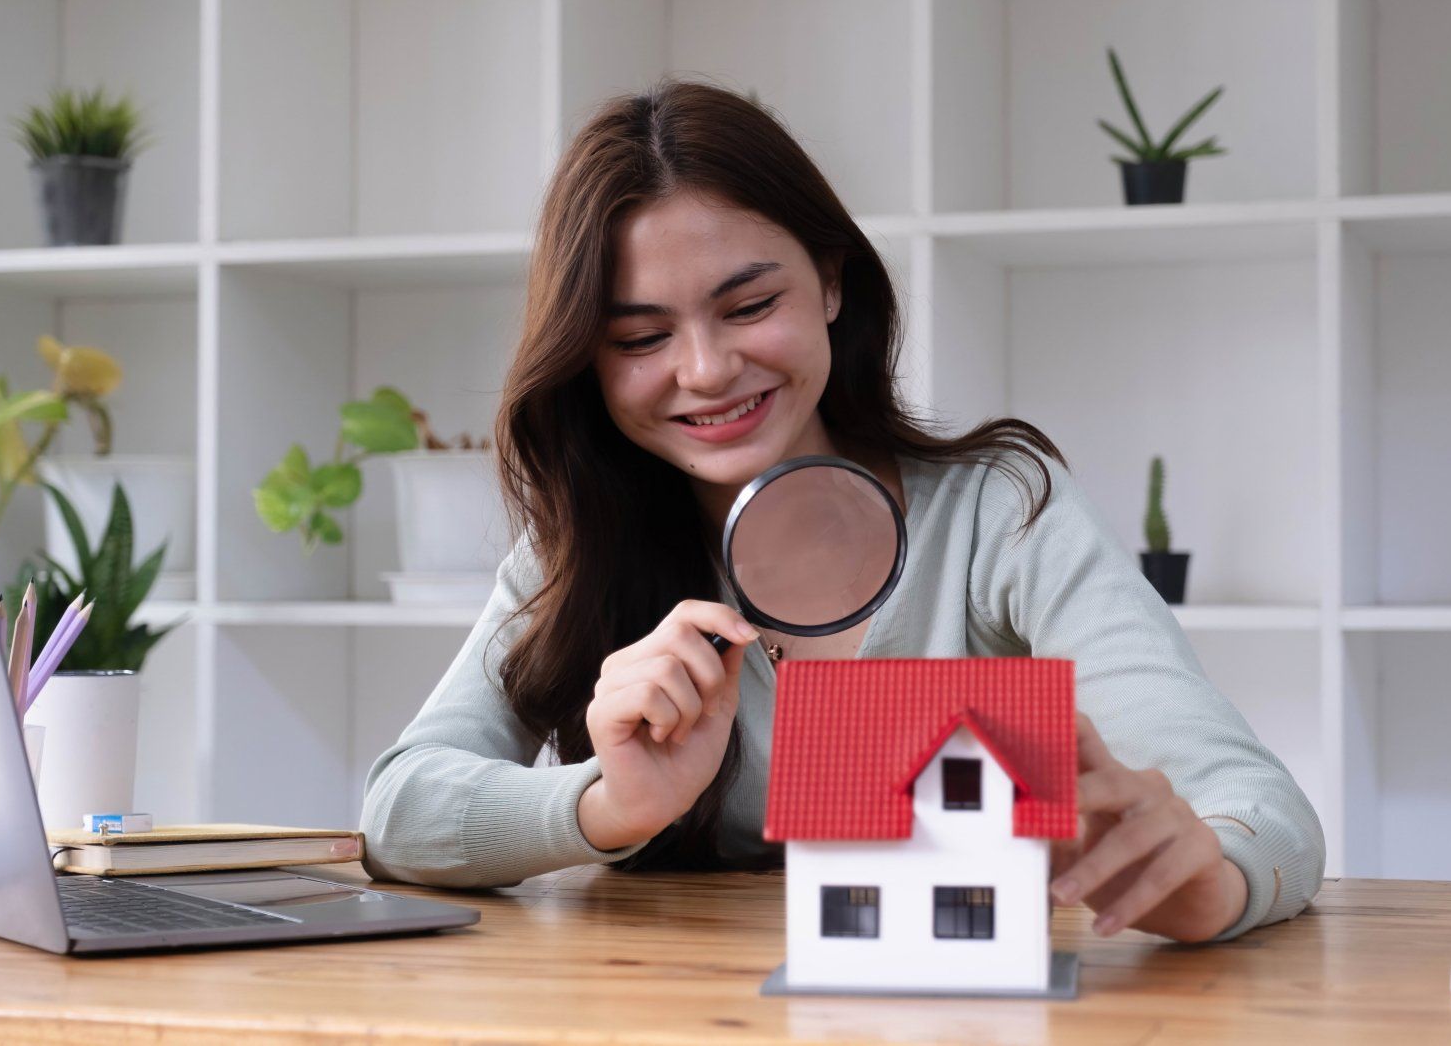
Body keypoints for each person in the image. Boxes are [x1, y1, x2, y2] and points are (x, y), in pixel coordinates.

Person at [361, 79, 1323, 943]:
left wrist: (1206, 885)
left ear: (830, 281)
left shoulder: (999, 510)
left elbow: (1254, 805)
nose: (704, 370)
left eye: (746, 306)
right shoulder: (580, 545)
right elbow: (399, 811)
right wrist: (608, 804)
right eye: (643, 335)